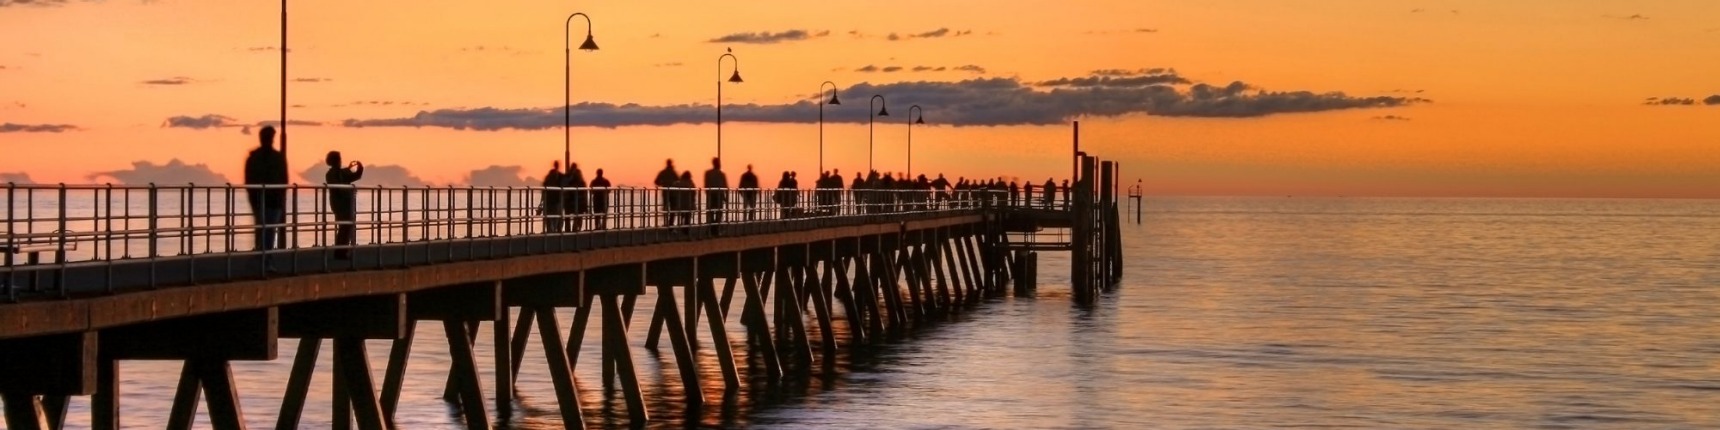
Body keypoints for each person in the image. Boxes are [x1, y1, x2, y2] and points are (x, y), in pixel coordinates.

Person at [244, 126, 289, 254]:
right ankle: (263, 257)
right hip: (264, 199)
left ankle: (263, 256)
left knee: (265, 229)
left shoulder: (259, 158)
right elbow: (283, 179)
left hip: (270, 199)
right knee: (266, 229)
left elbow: (284, 179)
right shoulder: (272, 158)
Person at [323, 151, 363, 260]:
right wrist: (349, 191)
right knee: (344, 227)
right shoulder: (332, 174)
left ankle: (341, 251)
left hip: (343, 203)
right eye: (339, 159)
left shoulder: (339, 172)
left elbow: (355, 175)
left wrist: (359, 167)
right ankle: (340, 252)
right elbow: (338, 187)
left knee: (345, 227)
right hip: (340, 203)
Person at [540, 161, 564, 233]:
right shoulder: (559, 176)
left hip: (549, 200)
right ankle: (555, 228)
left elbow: (544, 188)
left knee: (549, 215)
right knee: (556, 215)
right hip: (556, 199)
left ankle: (550, 229)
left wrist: (542, 199)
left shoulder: (548, 177)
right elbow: (562, 187)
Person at [563, 162, 588, 232]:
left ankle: (568, 229)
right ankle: (576, 229)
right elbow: (584, 192)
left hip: (569, 201)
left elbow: (564, 186)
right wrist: (585, 204)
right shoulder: (580, 178)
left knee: (568, 216)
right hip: (578, 201)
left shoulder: (567, 176)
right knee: (578, 216)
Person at [654, 159, 679, 227]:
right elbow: (678, 180)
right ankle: (670, 223)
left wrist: (663, 183)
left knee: (666, 207)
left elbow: (656, 181)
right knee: (673, 209)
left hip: (666, 192)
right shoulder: (673, 172)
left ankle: (666, 223)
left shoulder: (663, 172)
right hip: (673, 193)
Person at [704, 157, 728, 225]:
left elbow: (706, 184)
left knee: (712, 211)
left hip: (713, 194)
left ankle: (712, 225)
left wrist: (707, 192)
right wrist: (725, 196)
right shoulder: (721, 174)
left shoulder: (708, 173)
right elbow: (725, 186)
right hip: (718, 194)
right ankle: (716, 226)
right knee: (718, 211)